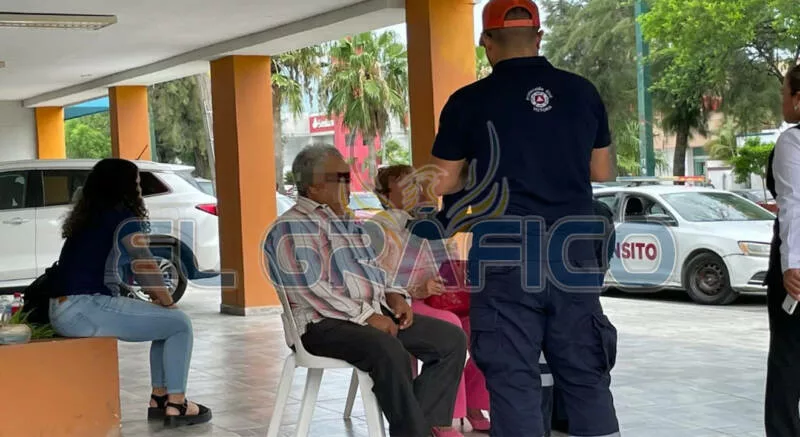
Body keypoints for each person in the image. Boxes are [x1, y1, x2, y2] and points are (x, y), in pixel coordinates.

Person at [428, 1, 619, 436]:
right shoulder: (582, 92)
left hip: (505, 253)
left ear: (486, 41)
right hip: (573, 251)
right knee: (585, 371)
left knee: (513, 376)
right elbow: (602, 171)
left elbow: (442, 180)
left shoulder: (468, 101)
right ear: (539, 37)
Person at [264, 145, 467, 437]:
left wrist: (395, 296)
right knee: (388, 349)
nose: (349, 185)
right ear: (314, 186)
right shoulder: (291, 227)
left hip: (369, 313)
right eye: (340, 179)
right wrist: (367, 317)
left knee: (450, 339)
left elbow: (376, 270)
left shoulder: (348, 223)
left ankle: (421, 428)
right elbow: (312, 289)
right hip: (321, 325)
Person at [50, 158, 211, 428]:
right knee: (180, 323)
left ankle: (160, 398)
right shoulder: (121, 215)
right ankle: (177, 404)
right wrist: (167, 300)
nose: (140, 189)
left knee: (165, 323)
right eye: (137, 183)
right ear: (124, 187)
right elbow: (144, 261)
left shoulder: (89, 216)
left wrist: (159, 300)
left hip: (62, 309)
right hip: (86, 307)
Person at [366, 165, 491, 432]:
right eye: (406, 185)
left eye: (416, 183)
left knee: (491, 327)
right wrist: (417, 288)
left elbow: (448, 259)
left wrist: (449, 276)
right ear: (385, 195)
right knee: (451, 327)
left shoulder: (431, 222)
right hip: (406, 303)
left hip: (444, 298)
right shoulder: (379, 227)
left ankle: (475, 397)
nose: (415, 190)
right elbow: (379, 279)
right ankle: (444, 419)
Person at [764, 63, 800, 437]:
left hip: (796, 264)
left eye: (784, 93)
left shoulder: (793, 140)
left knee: (788, 359)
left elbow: (793, 202)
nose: (782, 101)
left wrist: (792, 263)